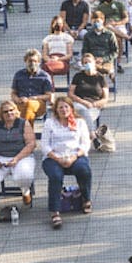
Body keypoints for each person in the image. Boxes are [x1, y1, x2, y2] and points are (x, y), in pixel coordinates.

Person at [0, 101, 37, 225]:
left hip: (21, 157)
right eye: (5, 111)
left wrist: (16, 159)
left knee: (24, 174)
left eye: (11, 110)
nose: (9, 113)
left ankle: (26, 192)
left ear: (16, 111)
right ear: (1, 114)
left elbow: (31, 144)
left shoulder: (24, 124)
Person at [40, 97, 93, 227]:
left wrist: (73, 157)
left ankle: (86, 199)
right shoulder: (49, 123)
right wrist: (58, 159)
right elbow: (44, 146)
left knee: (84, 170)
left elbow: (85, 144)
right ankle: (55, 212)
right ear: (56, 110)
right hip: (54, 157)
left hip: (75, 155)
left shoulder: (79, 122)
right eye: (60, 108)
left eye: (66, 107)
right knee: (55, 176)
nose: (64, 110)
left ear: (71, 108)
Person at [69, 55, 110, 140]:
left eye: (89, 62)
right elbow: (71, 93)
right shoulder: (78, 76)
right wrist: (83, 102)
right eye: (85, 63)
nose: (87, 64)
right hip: (79, 103)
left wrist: (94, 104)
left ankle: (84, 139)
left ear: (94, 63)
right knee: (82, 110)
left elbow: (105, 98)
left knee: (85, 117)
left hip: (94, 106)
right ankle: (93, 135)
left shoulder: (100, 78)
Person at [11, 50, 55, 123]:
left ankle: (24, 131)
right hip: (21, 103)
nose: (32, 63)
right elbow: (13, 93)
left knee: (29, 104)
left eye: (35, 61)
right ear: (25, 61)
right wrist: (18, 99)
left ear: (39, 62)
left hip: (38, 104)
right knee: (20, 107)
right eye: (30, 61)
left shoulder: (45, 76)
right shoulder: (18, 74)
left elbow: (49, 95)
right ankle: (28, 132)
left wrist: (35, 97)